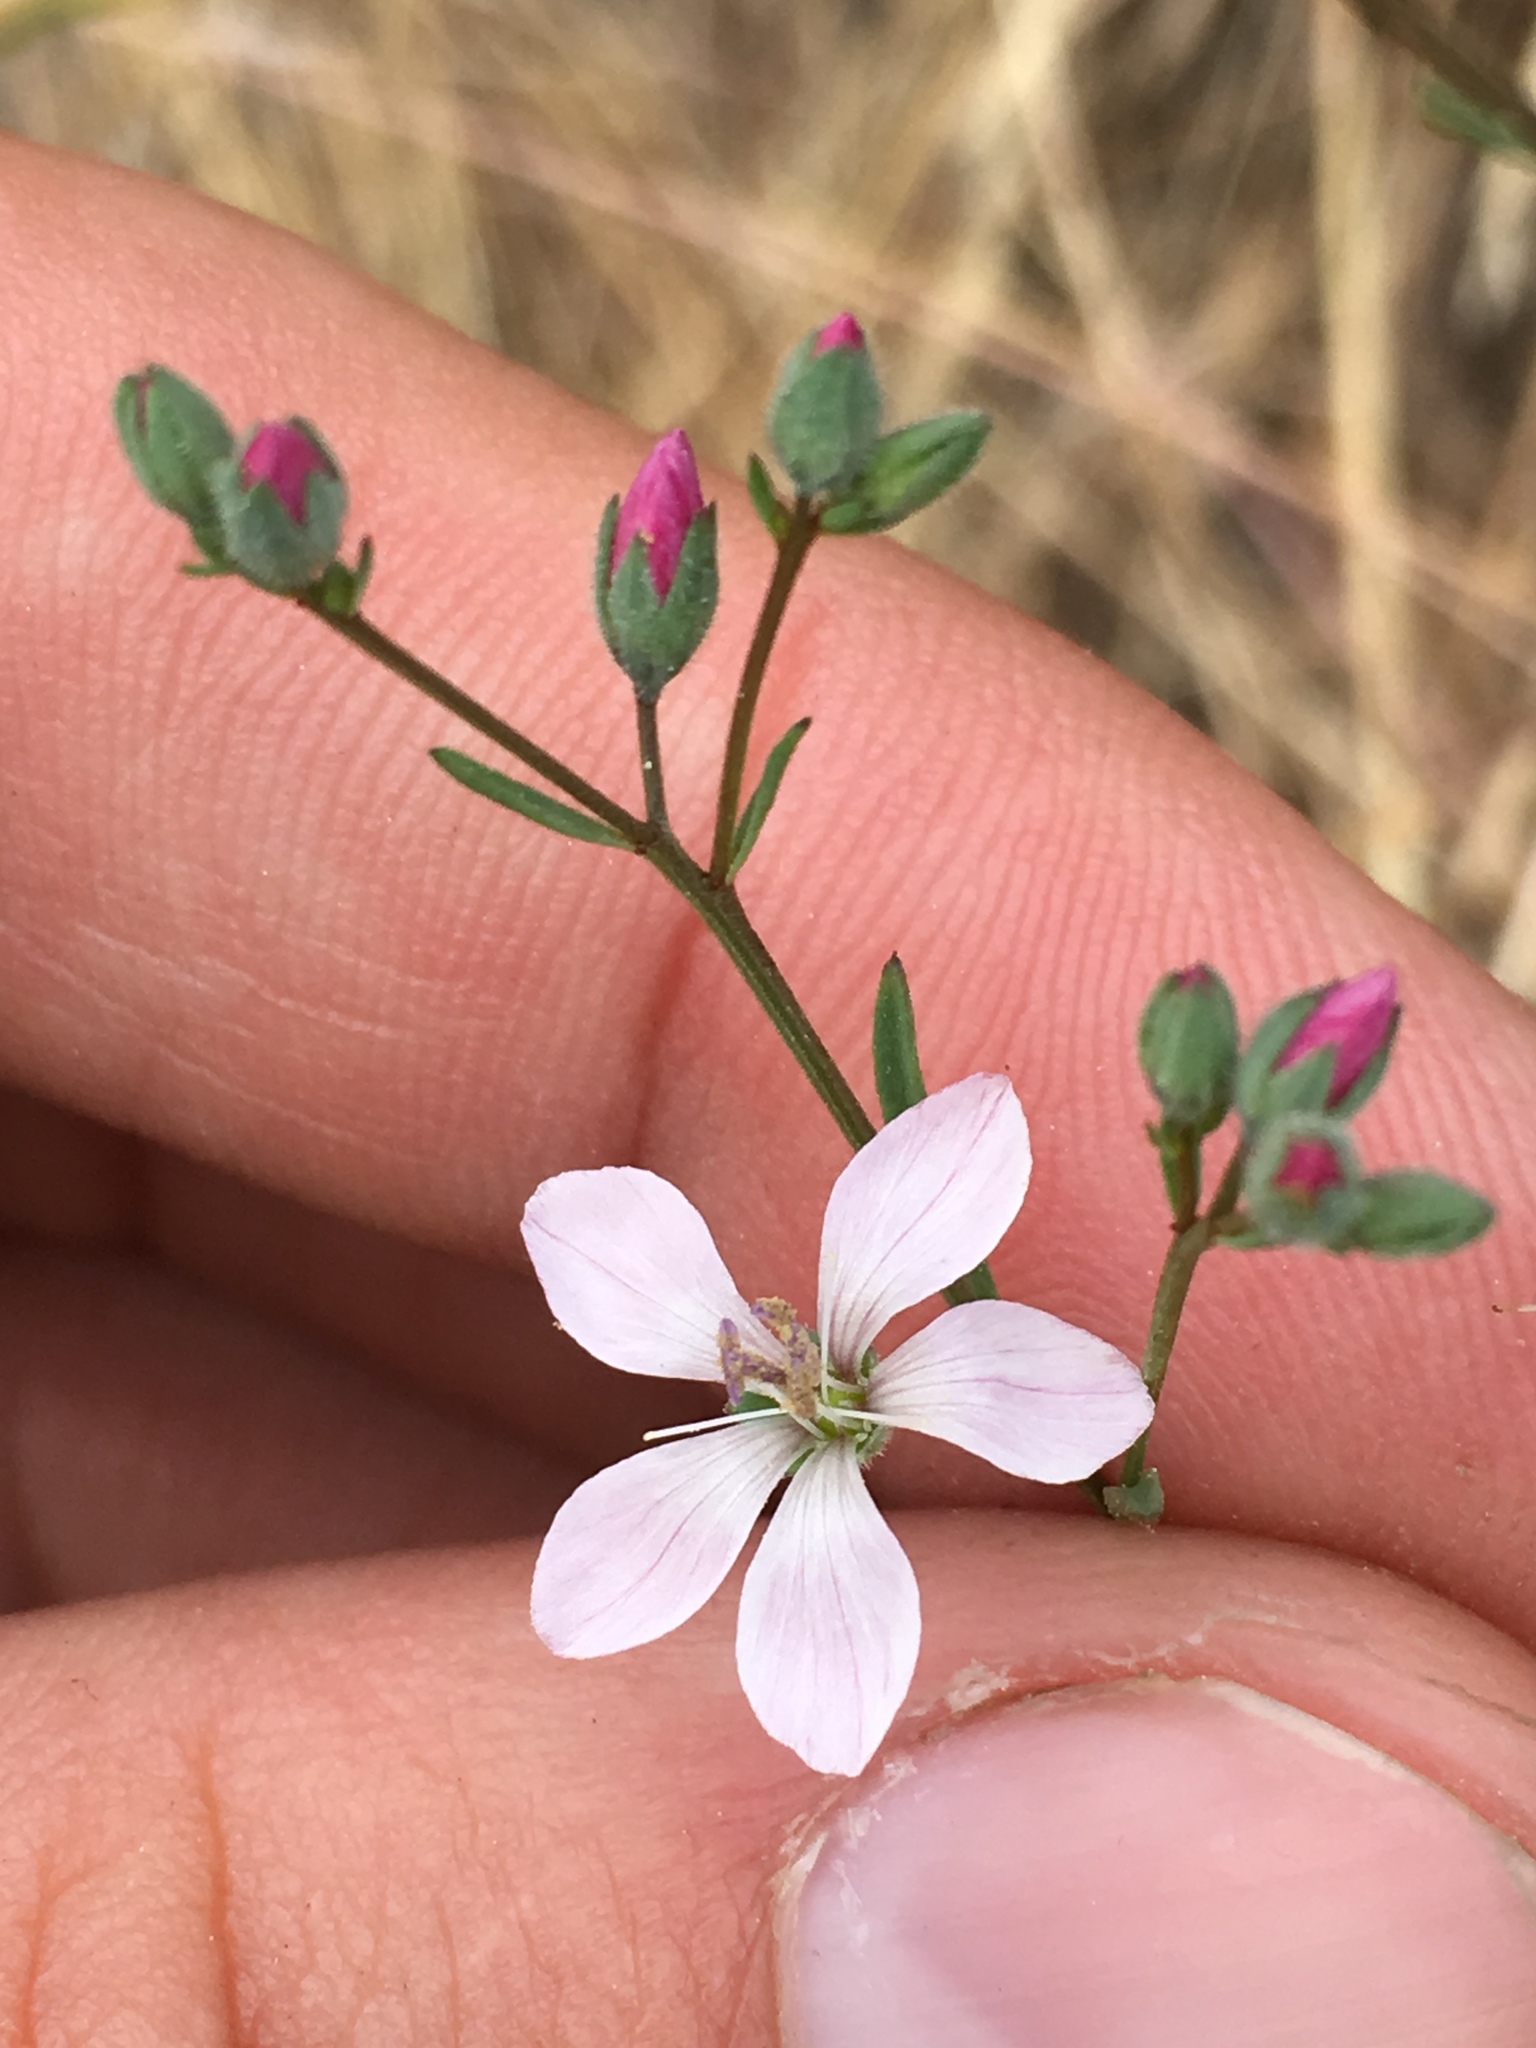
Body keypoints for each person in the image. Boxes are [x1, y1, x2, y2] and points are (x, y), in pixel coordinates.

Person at [0, 130, 1533, 2045]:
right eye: (802, 1376)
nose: (804, 1375)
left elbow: (1050, 1347)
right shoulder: (790, 1384)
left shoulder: (905, 1317)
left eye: (806, 1372)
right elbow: (711, 1540)